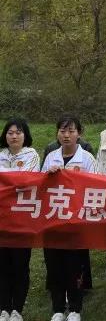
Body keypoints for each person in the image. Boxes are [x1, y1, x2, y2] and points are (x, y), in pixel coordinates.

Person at [42, 114, 98, 321]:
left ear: (79, 134)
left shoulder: (87, 158)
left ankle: (75, 308)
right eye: (62, 131)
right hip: (54, 220)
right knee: (54, 265)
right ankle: (58, 308)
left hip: (76, 222)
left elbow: (96, 187)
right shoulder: (50, 157)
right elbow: (40, 188)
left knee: (75, 265)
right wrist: (48, 175)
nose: (66, 135)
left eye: (71, 131)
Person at [0, 119, 38, 321]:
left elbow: (25, 181)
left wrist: (6, 179)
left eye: (18, 132)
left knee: (20, 264)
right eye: (10, 132)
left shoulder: (31, 155)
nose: (14, 136)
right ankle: (4, 308)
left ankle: (17, 309)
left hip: (22, 218)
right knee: (3, 265)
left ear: (25, 135)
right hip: (2, 218)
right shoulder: (0, 155)